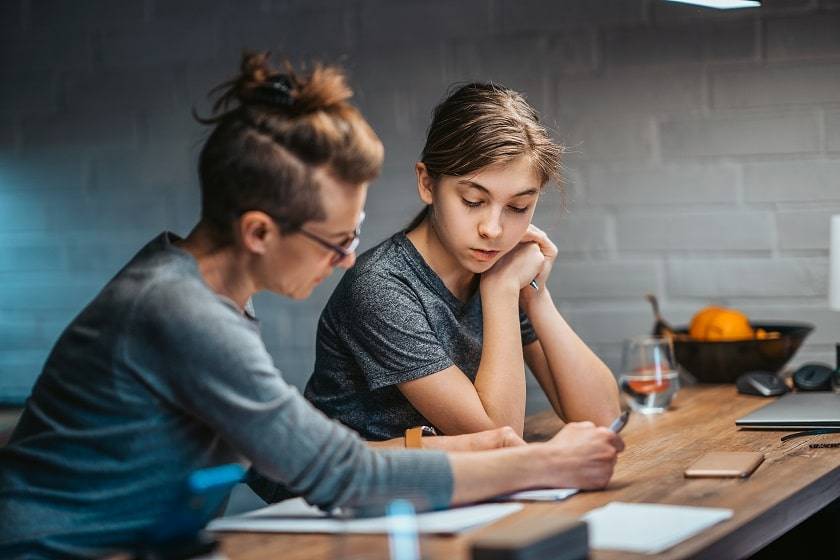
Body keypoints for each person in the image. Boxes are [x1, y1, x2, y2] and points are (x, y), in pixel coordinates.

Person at [0, 53, 623, 558]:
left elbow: (305, 457)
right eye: (336, 239)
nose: (349, 258)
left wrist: (469, 449)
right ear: (259, 232)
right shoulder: (179, 312)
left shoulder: (194, 292)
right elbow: (343, 478)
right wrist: (542, 463)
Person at [304, 82, 621, 441]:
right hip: (358, 495)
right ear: (427, 183)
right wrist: (501, 291)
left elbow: (604, 418)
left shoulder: (494, 267)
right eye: (473, 201)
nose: (493, 229)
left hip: (454, 489)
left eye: (518, 207)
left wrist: (536, 295)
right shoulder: (382, 286)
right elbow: (499, 438)